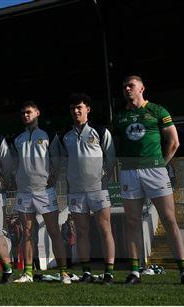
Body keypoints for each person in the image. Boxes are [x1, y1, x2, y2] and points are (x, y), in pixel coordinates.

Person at [114, 75, 184, 285]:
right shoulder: (120, 116)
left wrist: (161, 163)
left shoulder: (158, 111)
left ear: (142, 88)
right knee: (131, 223)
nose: (127, 89)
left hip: (155, 171)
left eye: (131, 86)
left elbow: (174, 142)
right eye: (124, 87)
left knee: (169, 220)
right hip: (129, 172)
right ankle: (134, 272)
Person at [52, 93, 116, 285]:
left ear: (88, 109)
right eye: (73, 108)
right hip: (76, 191)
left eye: (79, 107)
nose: (76, 111)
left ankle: (109, 273)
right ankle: (86, 272)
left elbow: (111, 157)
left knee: (105, 229)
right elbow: (56, 157)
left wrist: (105, 177)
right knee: (81, 232)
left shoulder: (100, 130)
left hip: (98, 188)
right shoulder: (64, 135)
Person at [12, 101, 70, 284]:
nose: (26, 115)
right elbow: (15, 163)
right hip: (24, 192)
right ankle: (28, 273)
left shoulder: (48, 135)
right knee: (27, 233)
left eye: (29, 112)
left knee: (54, 231)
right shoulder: (17, 139)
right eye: (23, 113)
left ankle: (64, 273)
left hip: (45, 191)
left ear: (37, 112)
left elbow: (59, 159)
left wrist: (55, 175)